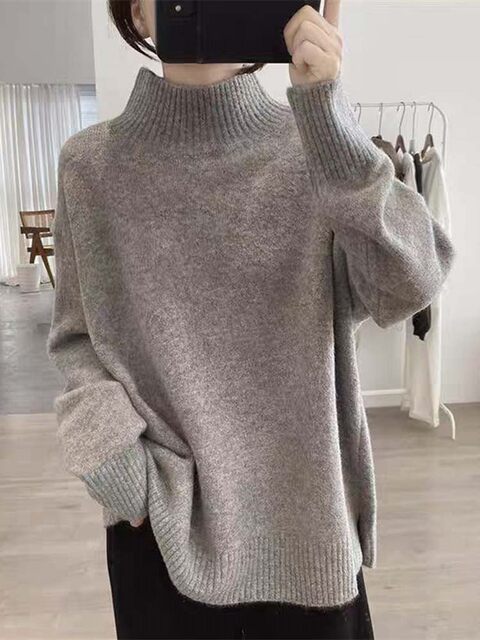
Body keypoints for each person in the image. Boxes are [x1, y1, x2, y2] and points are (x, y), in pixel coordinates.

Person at [46, 1, 456, 638]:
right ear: (137, 14)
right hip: (161, 532)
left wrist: (328, 115)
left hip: (309, 537)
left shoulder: (318, 148)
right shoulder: (90, 166)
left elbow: (412, 283)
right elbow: (75, 340)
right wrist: (115, 459)